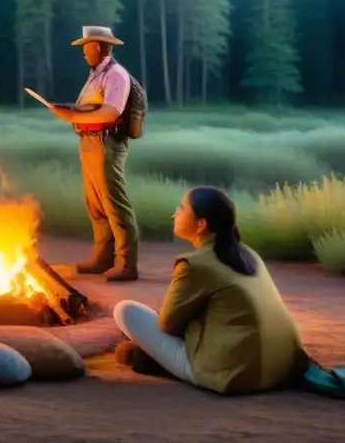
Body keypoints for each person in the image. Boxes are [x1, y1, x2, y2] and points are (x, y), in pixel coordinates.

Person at [113, 186, 309, 395]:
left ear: (201, 224)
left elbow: (168, 325)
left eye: (182, 209)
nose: (175, 213)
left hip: (234, 374)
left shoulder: (195, 264)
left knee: (125, 310)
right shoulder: (248, 254)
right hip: (283, 366)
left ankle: (161, 362)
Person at [48, 25, 139, 282]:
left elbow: (111, 112)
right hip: (88, 141)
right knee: (95, 203)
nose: (84, 54)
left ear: (98, 48)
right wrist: (69, 111)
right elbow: (90, 107)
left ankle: (127, 263)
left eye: (86, 48)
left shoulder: (116, 75)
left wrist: (74, 114)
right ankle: (103, 258)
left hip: (105, 142)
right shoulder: (96, 75)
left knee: (113, 202)